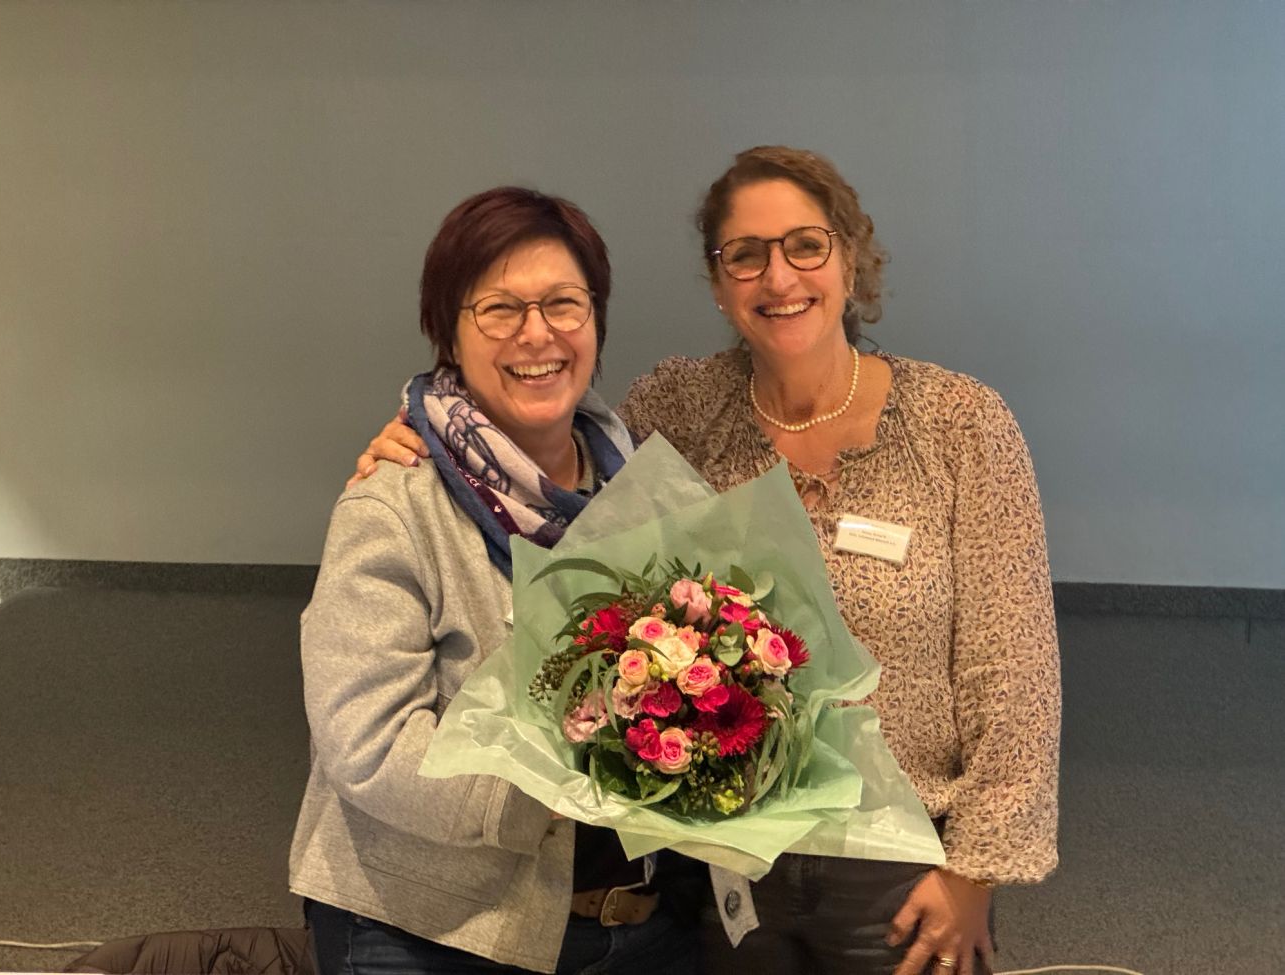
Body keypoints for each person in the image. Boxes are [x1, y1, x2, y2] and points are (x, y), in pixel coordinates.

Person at [349, 147, 1061, 975]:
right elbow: (548, 452)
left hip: (897, 861)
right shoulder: (679, 410)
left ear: (851, 258)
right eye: (745, 255)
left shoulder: (959, 424)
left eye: (806, 245)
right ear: (720, 284)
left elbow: (1013, 669)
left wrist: (974, 870)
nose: (779, 277)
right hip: (724, 853)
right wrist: (424, 438)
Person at [289, 186, 702, 975]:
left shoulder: (645, 492)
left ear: (596, 319)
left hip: (644, 925)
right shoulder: (394, 504)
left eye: (563, 303)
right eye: (500, 309)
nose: (537, 333)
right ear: (448, 332)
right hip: (432, 927)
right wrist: (562, 788)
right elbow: (370, 745)